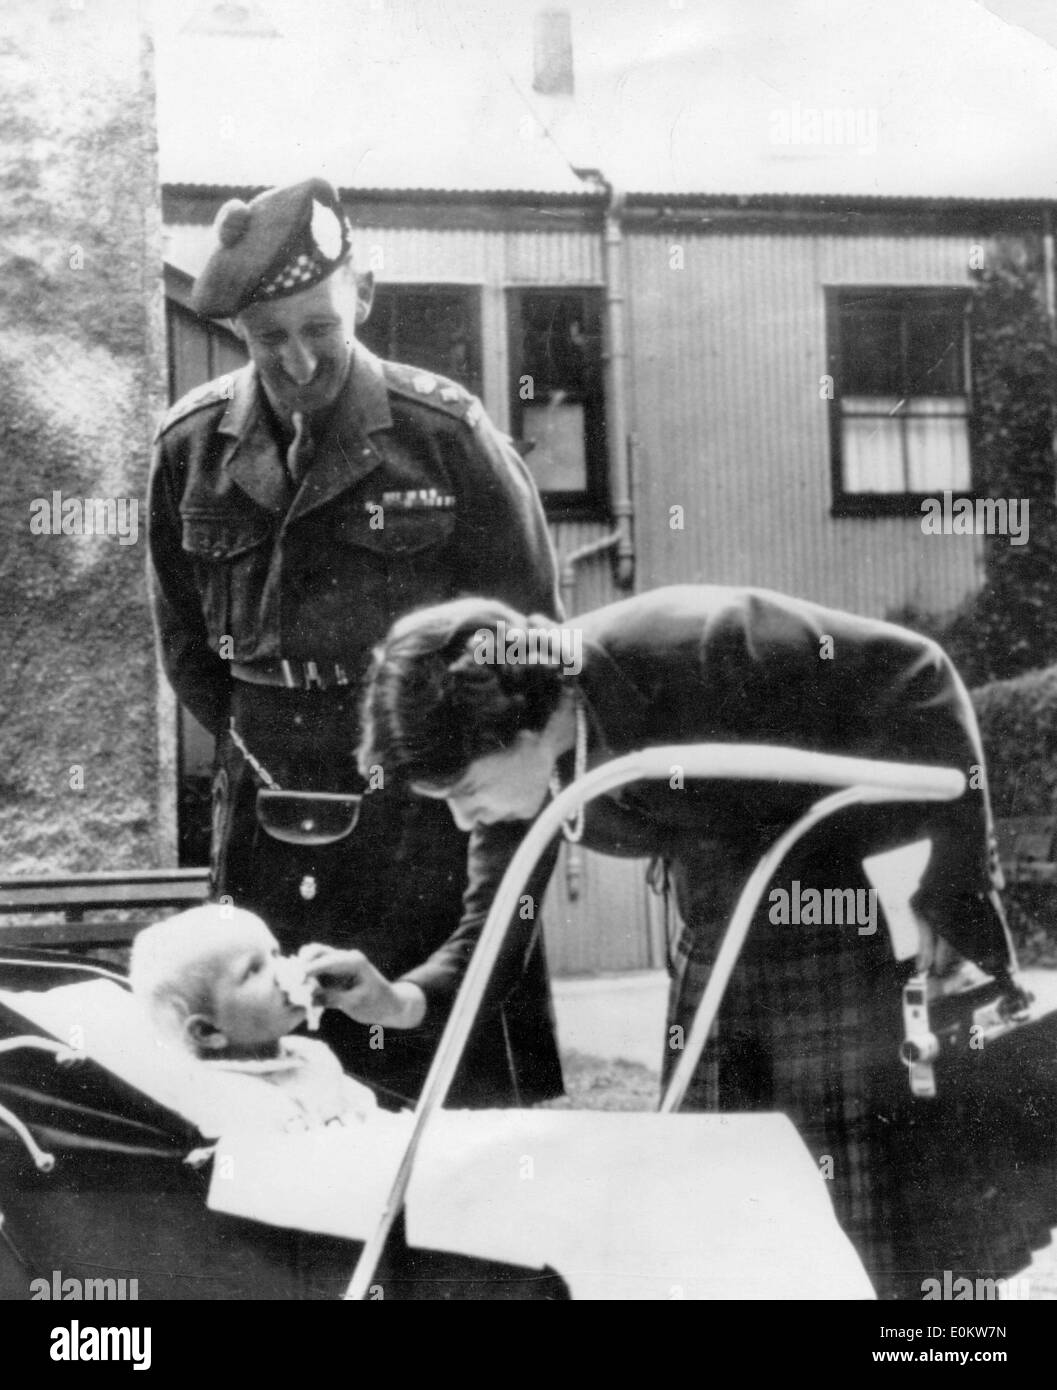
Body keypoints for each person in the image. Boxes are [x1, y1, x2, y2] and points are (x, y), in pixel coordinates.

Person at [347, 584, 1057, 1299]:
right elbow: (492, 928)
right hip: (712, 942)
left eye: (463, 790)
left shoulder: (702, 644)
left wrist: (946, 884)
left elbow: (919, 672)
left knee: (853, 1214)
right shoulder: (519, 787)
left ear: (517, 727)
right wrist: (400, 1000)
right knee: (708, 1208)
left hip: (825, 930)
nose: (465, 820)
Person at [148, 177, 563, 1109]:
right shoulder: (190, 447)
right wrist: (272, 737)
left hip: (422, 799)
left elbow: (530, 638)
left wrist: (453, 760)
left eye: (319, 331)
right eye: (267, 339)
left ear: (361, 297)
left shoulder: (443, 434)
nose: (296, 363)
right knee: (274, 1078)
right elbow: (185, 643)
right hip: (270, 795)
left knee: (444, 1091)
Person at [128, 904, 378, 1132]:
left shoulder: (312, 1055)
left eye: (276, 954)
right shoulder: (221, 1098)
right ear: (208, 1031)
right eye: (254, 969)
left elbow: (370, 1115)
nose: (282, 970)